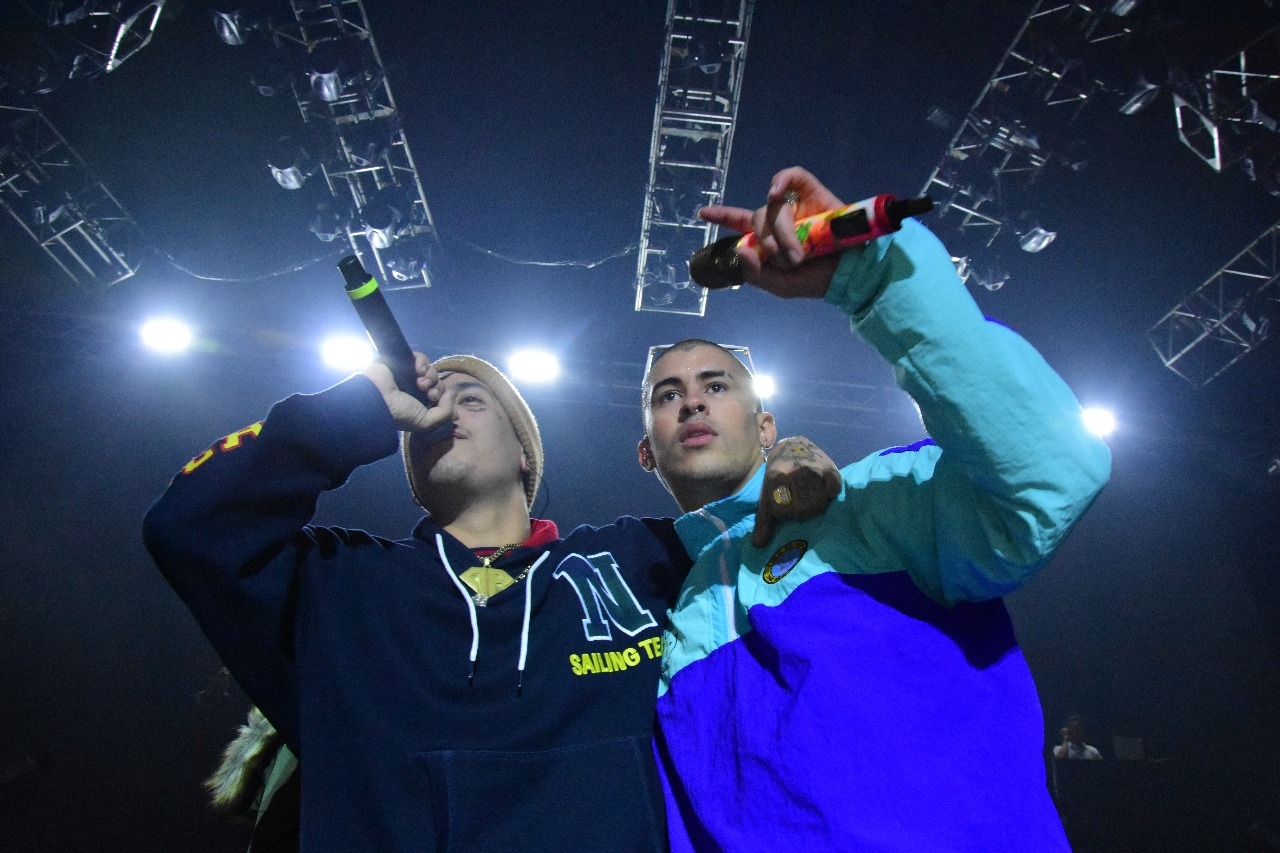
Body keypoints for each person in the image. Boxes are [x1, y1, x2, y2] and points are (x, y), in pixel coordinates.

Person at [144, 350, 834, 852]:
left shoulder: (641, 558)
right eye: (427, 412)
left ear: (526, 454)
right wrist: (352, 412)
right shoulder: (335, 583)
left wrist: (794, 454)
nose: (443, 411)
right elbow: (188, 525)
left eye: (471, 399)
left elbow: (764, 531)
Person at [636, 167, 1113, 851]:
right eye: (667, 395)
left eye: (716, 385)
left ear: (767, 427)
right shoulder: (647, 614)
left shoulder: (870, 500)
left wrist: (873, 276)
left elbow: (1054, 471)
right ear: (646, 451)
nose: (691, 402)